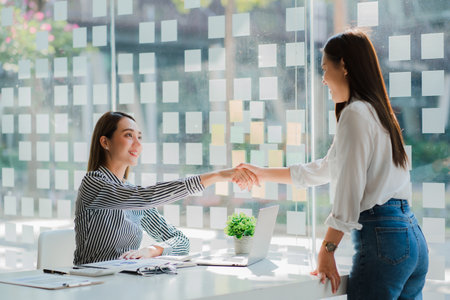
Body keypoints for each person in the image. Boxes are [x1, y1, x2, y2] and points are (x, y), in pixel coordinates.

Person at [235, 29, 428, 299]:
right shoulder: (377, 111)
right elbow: (325, 169)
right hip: (411, 236)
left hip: (384, 238)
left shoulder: (355, 114)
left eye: (326, 69)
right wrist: (262, 173)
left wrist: (327, 249)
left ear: (344, 67)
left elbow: (349, 191)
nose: (323, 79)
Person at [74, 111, 257, 265]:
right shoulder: (93, 183)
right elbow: (145, 197)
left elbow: (182, 242)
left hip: (126, 280)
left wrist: (153, 250)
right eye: (128, 135)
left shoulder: (131, 193)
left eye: (139, 137)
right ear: (105, 142)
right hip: (92, 283)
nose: (137, 144)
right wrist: (217, 176)